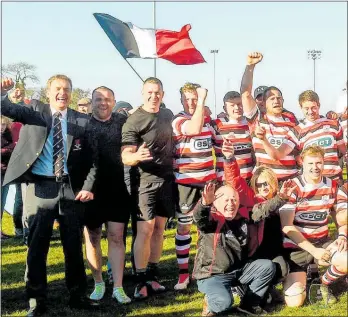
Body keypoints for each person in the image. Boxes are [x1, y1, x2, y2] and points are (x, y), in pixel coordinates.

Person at [1, 75, 99, 316]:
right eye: (57, 89)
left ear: (71, 93)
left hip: (70, 188)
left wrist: (87, 186)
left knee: (73, 246)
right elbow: (6, 107)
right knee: (37, 246)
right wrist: (3, 92)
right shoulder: (35, 111)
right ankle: (36, 299)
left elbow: (93, 160)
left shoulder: (81, 120)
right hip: (39, 187)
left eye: (66, 89)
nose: (62, 93)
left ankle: (78, 295)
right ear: (48, 93)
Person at [193, 146, 279, 316]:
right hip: (212, 275)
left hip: (238, 271)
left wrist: (281, 198)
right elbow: (199, 217)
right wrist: (204, 204)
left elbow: (262, 209)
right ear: (215, 203)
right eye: (225, 199)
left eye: (234, 200)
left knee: (267, 266)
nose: (231, 203)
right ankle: (211, 302)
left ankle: (247, 305)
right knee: (224, 304)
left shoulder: (244, 214)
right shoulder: (211, 220)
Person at [121, 77, 175, 299]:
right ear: (142, 93)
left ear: (163, 94)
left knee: (160, 229)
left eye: (158, 92)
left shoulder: (168, 114)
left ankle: (153, 275)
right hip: (144, 183)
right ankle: (140, 279)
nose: (154, 96)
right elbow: (125, 155)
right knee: (145, 229)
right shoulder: (133, 121)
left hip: (167, 180)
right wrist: (136, 156)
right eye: (150, 92)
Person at [279, 145, 347, 307]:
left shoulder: (332, 185)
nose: (315, 167)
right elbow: (287, 226)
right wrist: (314, 251)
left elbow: (341, 217)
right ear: (302, 162)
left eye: (319, 163)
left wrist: (343, 234)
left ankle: (322, 283)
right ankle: (305, 276)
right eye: (310, 163)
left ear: (324, 163)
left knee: (346, 259)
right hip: (297, 247)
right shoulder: (292, 186)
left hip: (323, 242)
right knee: (295, 302)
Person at [83, 87, 132, 304]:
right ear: (92, 102)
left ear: (114, 102)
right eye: (98, 99)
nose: (103, 103)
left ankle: (118, 287)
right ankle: (99, 283)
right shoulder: (82, 124)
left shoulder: (123, 122)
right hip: (90, 189)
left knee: (116, 237)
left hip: (117, 188)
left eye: (107, 99)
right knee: (92, 238)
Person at [172, 82, 217, 290]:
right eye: (187, 99)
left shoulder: (209, 123)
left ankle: (203, 269)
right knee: (184, 227)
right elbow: (194, 128)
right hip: (186, 184)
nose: (191, 103)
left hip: (208, 182)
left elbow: (221, 144)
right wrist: (202, 102)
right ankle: (183, 274)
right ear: (181, 100)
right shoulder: (178, 119)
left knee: (205, 228)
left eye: (195, 99)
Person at [255, 90, 346, 181]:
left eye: (313, 107)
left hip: (335, 181)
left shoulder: (333, 124)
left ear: (319, 105)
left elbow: (344, 151)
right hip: (312, 184)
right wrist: (264, 139)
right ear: (300, 107)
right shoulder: (296, 131)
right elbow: (277, 155)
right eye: (306, 108)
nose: (310, 112)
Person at [240, 52, 299, 183]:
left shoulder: (292, 122)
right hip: (264, 183)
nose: (276, 101)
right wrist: (250, 66)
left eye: (279, 98)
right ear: (264, 103)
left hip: (290, 180)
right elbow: (245, 94)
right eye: (272, 98)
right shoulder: (257, 119)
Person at [212, 91, 254, 184]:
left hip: (248, 178)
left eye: (239, 104)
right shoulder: (216, 124)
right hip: (225, 180)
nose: (237, 108)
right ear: (225, 108)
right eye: (232, 105)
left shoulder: (251, 123)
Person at [1, 115, 16, 239]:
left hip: (5, 173)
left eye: (3, 125)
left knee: (2, 203)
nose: (1, 127)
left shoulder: (7, 136)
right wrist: (7, 150)